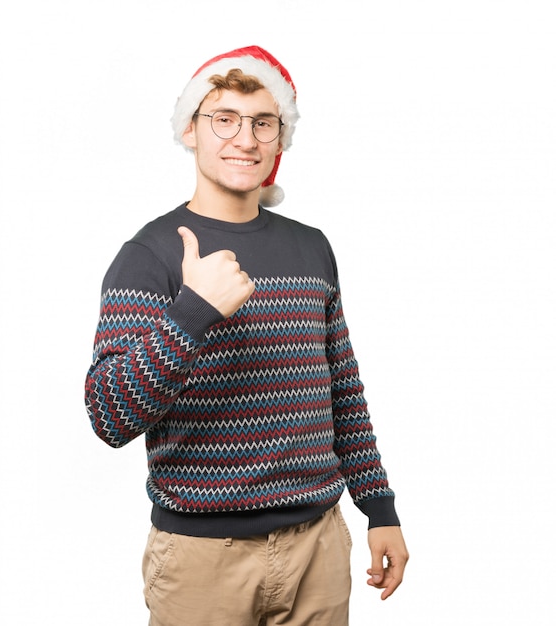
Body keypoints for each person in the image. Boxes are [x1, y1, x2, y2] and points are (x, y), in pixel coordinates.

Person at [85, 45, 408, 626]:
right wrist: (192, 313)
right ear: (190, 130)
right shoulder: (149, 256)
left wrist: (379, 507)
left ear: (281, 139)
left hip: (319, 548)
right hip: (203, 561)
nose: (245, 139)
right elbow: (109, 418)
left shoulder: (312, 247)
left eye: (264, 123)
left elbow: (342, 390)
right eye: (224, 119)